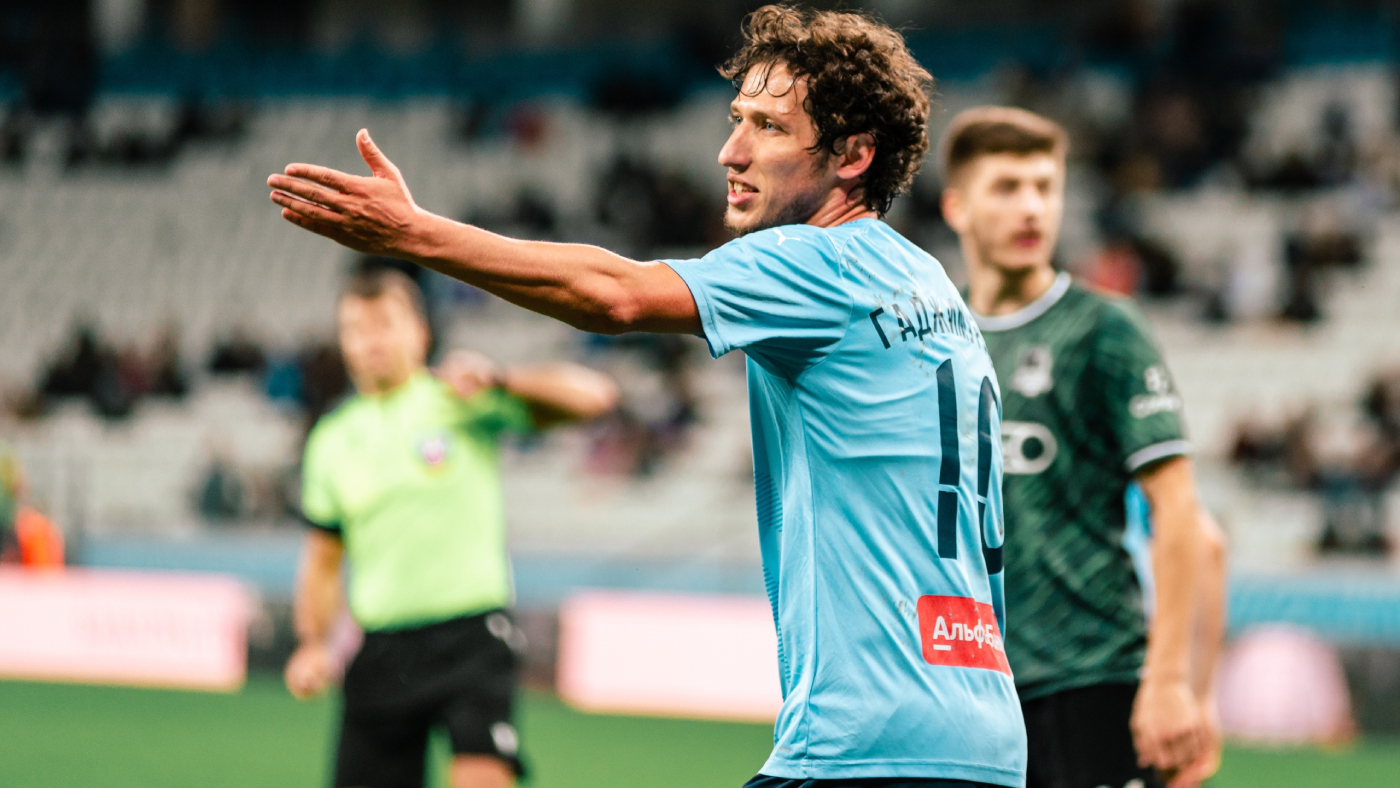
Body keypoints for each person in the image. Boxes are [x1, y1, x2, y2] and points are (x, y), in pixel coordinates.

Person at [268, 6, 1027, 787]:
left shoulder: (818, 263)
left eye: (769, 127)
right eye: (736, 120)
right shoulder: (934, 291)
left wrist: (413, 235)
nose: (731, 151)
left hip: (869, 741)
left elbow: (615, 295)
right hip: (983, 734)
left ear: (854, 155)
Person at [938, 106, 1227, 788]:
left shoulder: (1103, 330)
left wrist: (1175, 684)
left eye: (1046, 187)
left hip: (1092, 678)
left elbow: (1185, 518)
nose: (1032, 207)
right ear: (956, 207)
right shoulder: (933, 337)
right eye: (1007, 187)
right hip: (966, 686)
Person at [284, 267, 619, 788]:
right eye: (356, 329)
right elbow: (323, 558)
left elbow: (595, 396)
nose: (371, 341)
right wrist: (311, 642)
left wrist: (502, 378)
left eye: (385, 324)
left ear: (420, 332)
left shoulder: (459, 398)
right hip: (381, 649)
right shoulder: (331, 440)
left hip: (471, 640)